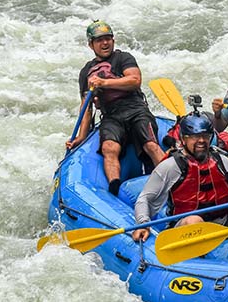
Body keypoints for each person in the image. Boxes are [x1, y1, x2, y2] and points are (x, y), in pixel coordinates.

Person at [67, 20, 165, 196]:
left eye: (108, 39)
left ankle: (171, 182)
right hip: (111, 115)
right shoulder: (86, 71)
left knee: (150, 144)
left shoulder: (123, 58)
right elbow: (86, 105)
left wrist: (104, 82)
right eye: (99, 40)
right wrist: (81, 136)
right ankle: (115, 190)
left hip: (136, 108)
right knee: (109, 148)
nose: (105, 43)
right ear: (91, 45)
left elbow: (134, 80)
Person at [132, 112, 228, 241]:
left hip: (222, 222)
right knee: (194, 221)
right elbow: (145, 199)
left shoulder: (222, 162)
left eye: (205, 136)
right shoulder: (170, 166)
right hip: (185, 226)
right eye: (194, 137)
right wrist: (143, 223)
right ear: (183, 139)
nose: (201, 140)